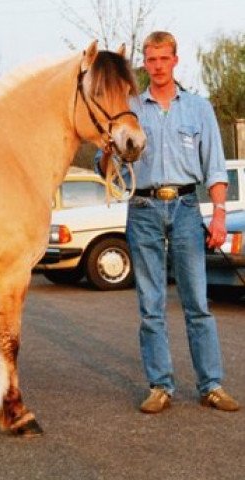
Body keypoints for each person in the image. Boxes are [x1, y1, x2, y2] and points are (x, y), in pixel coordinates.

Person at [98, 31, 238, 414]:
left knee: (197, 302)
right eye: (150, 59)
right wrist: (110, 150)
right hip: (142, 210)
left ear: (176, 60)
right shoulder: (128, 108)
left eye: (163, 59)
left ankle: (211, 385)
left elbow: (214, 169)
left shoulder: (198, 108)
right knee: (151, 305)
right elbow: (104, 165)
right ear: (144, 62)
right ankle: (160, 386)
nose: (157, 66)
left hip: (186, 208)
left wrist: (220, 215)